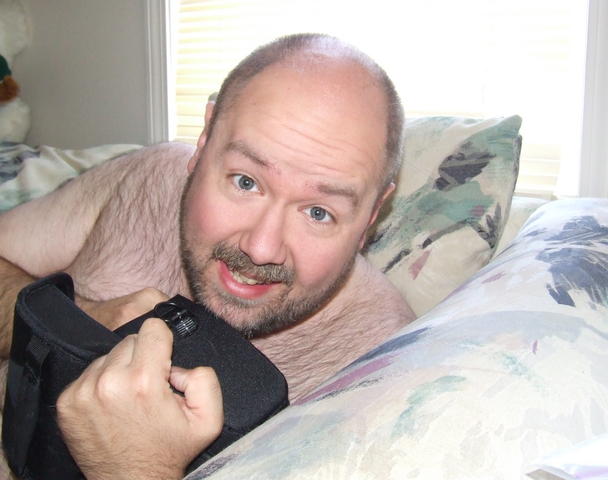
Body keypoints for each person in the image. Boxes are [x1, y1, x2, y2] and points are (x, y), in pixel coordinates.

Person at [0, 33, 415, 479]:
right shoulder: (149, 180)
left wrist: (136, 468)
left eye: (318, 212)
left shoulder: (382, 370)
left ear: (371, 215)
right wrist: (77, 317)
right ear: (204, 139)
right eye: (245, 182)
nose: (260, 248)